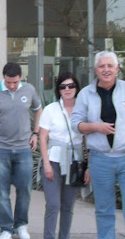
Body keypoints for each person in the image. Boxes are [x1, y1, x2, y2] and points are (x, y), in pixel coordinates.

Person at [71, 51, 125, 239]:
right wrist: (95, 126)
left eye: (110, 66)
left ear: (117, 69)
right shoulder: (85, 94)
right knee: (104, 209)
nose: (106, 70)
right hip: (100, 159)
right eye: (102, 66)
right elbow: (76, 124)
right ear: (96, 69)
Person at [0, 62, 42, 239]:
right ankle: (6, 228)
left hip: (23, 149)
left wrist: (35, 133)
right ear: (3, 78)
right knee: (2, 191)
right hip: (0, 149)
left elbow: (38, 109)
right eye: (8, 82)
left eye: (15, 82)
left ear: (21, 78)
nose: (12, 86)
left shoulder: (29, 90)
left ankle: (21, 225)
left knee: (25, 190)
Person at [39, 72, 88, 239]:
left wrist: (87, 167)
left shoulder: (83, 110)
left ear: (76, 88)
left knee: (68, 206)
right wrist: (46, 164)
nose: (67, 89)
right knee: (53, 205)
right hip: (53, 160)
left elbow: (87, 139)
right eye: (63, 86)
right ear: (58, 89)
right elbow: (43, 138)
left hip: (75, 162)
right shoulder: (50, 110)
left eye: (71, 86)